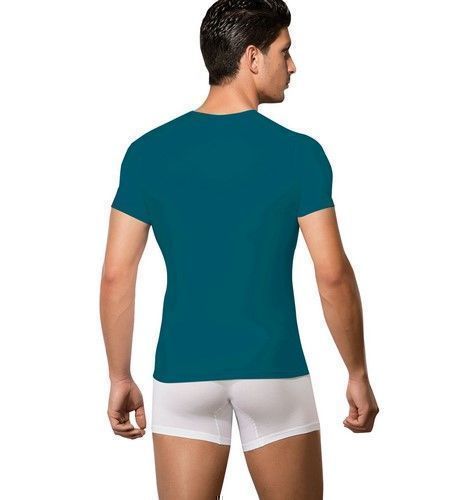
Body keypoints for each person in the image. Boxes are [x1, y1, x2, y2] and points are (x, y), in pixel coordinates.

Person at [100, 0, 379, 498]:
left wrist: (120, 376)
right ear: (252, 58)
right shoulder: (300, 154)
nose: (292, 66)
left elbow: (117, 275)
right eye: (284, 52)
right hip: (274, 369)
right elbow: (333, 274)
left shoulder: (146, 153)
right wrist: (356, 371)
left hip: (182, 373)